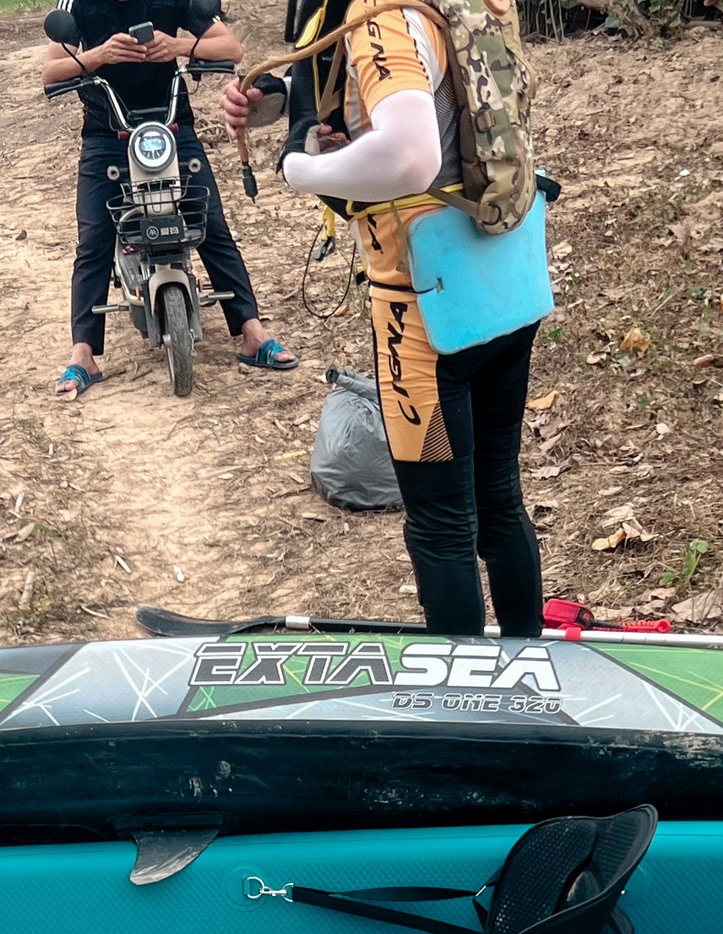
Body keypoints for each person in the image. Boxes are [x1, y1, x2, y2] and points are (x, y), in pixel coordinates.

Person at [224, 0, 542, 636]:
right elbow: (437, 98)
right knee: (499, 499)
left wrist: (300, 169)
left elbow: (408, 157)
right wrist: (288, 102)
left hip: (423, 309)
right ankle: (528, 669)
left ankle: (462, 707)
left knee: (441, 522)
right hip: (502, 275)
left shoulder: (377, 14)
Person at [44, 0, 298, 397]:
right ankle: (83, 356)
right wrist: (100, 54)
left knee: (211, 225)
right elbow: (52, 70)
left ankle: (253, 333)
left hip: (173, 127)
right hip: (106, 134)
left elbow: (231, 48)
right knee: (92, 241)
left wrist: (177, 47)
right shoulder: (76, 4)